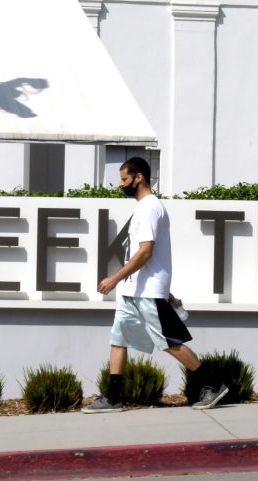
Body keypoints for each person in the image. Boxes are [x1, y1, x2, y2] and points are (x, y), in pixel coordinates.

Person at [82, 157, 229, 413]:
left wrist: (115, 278)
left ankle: (214, 385)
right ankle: (114, 397)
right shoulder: (143, 207)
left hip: (147, 292)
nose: (121, 184)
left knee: (170, 342)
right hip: (132, 291)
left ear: (139, 177)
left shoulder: (150, 207)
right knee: (118, 339)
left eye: (125, 179)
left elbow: (146, 252)